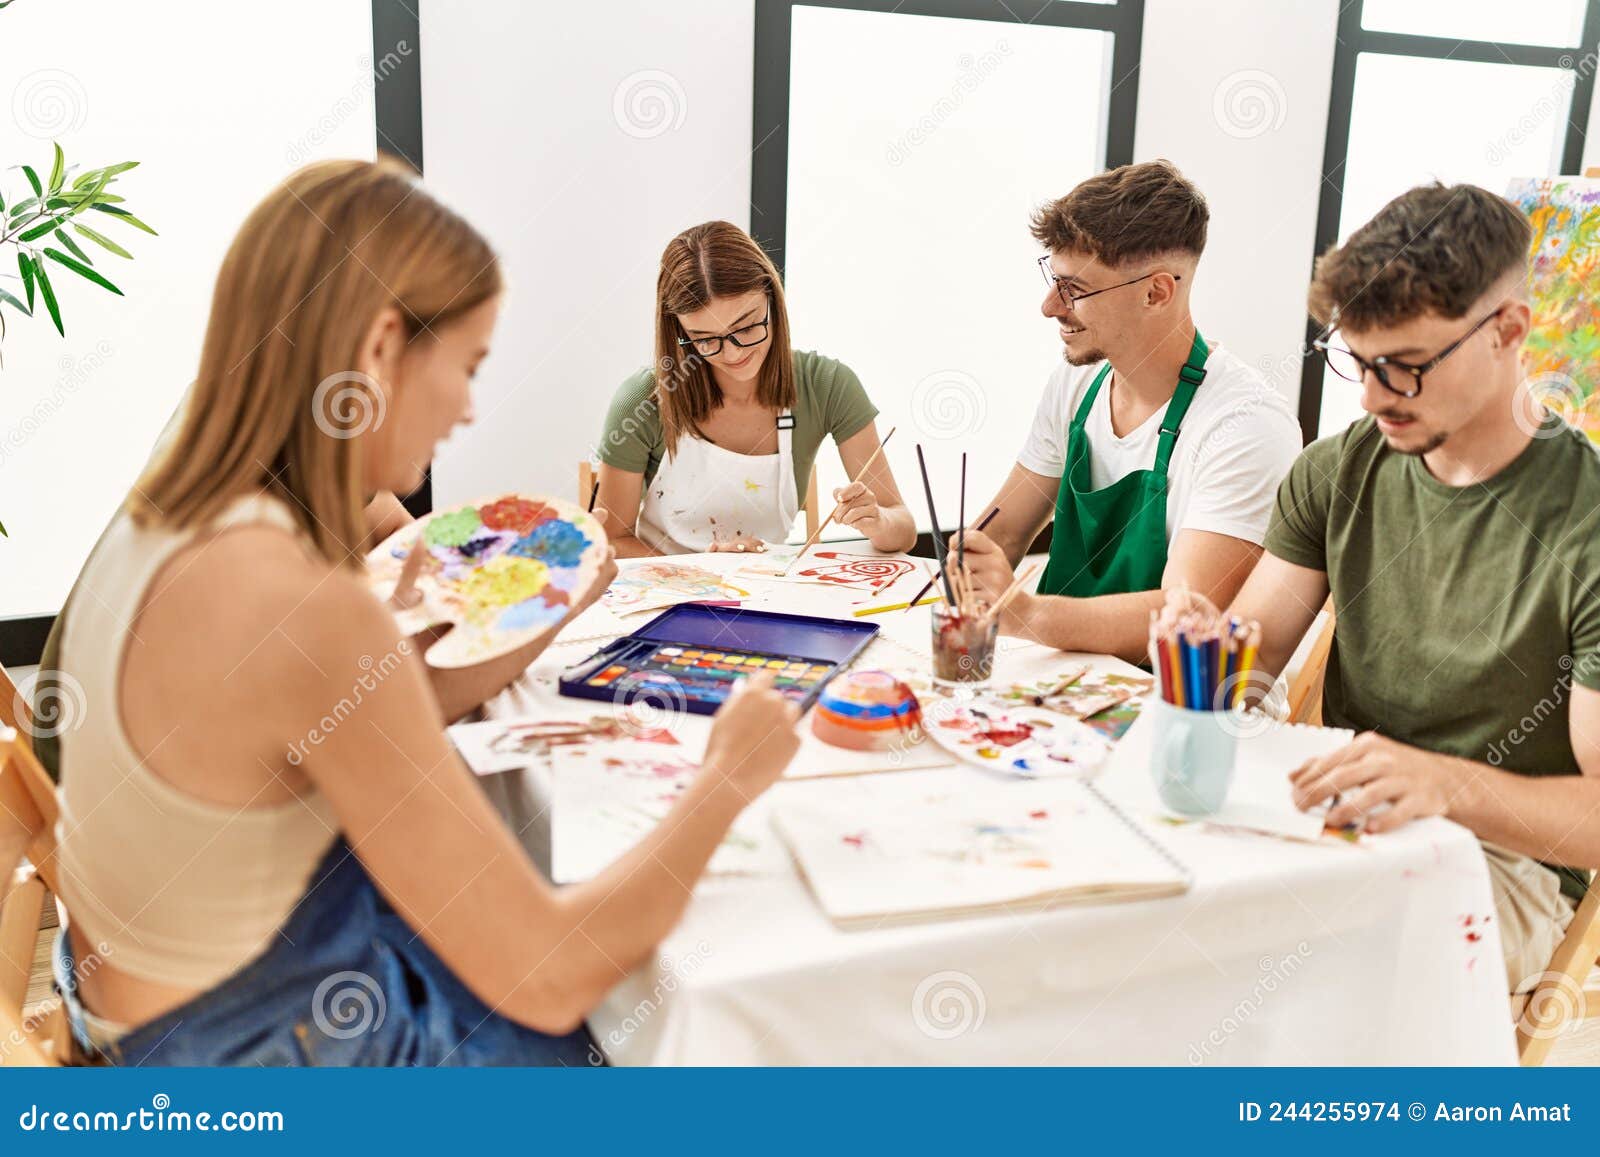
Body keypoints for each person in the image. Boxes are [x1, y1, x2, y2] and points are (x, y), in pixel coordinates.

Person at [46, 159, 802, 1066]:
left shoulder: (176, 512)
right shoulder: (302, 604)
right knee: (655, 1034)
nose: (468, 408)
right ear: (378, 350)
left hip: (144, 1004)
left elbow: (377, 708)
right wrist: (726, 778)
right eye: (468, 366)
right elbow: (552, 970)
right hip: (253, 1056)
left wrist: (551, 607)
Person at [1168, 182, 1599, 993]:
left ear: (1509, 331)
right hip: (1336, 817)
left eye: (1403, 368)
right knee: (1155, 926)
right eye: (1357, 362)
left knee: (1309, 980)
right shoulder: (1339, 469)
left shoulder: (1587, 527)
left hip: (1498, 865)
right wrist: (1205, 654)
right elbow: (1247, 673)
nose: (1369, 398)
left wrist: (1446, 783)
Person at [956, 161, 1301, 662]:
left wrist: (1026, 613)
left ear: (1156, 292)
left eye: (1074, 288)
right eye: (1054, 280)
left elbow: (1183, 617)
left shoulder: (1246, 426)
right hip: (1062, 677)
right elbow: (1004, 532)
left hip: (1174, 702)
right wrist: (971, 566)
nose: (1050, 306)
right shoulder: (1075, 384)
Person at [594, 220, 915, 557]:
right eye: (705, 340)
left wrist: (878, 521)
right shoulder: (643, 401)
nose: (733, 353)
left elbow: (903, 530)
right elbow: (611, 540)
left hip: (768, 593)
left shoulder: (827, 385)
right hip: (665, 594)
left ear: (773, 300)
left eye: (746, 327)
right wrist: (698, 572)